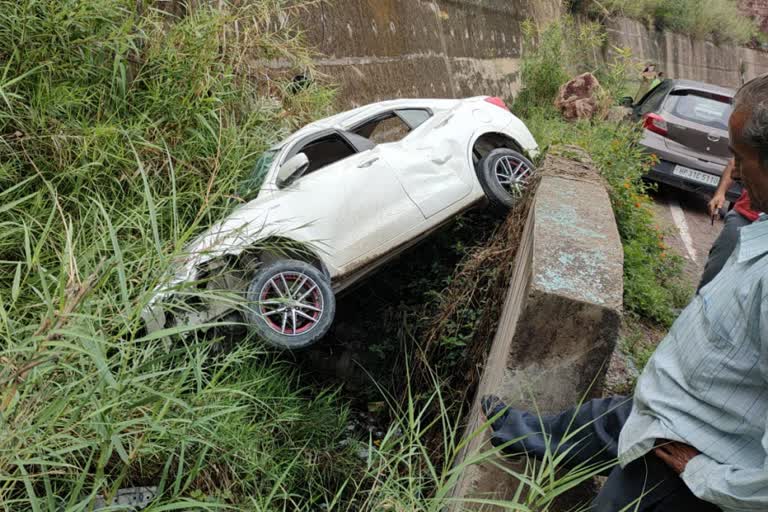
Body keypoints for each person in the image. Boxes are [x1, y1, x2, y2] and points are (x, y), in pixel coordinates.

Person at [483, 74, 768, 512]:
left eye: (739, 158)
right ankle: (517, 430)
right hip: (669, 412)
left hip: (682, 467)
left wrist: (706, 476)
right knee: (599, 420)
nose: (734, 174)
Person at [699, 160, 761, 290]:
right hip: (745, 217)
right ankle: (697, 307)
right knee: (715, 271)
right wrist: (720, 193)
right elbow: (736, 161)